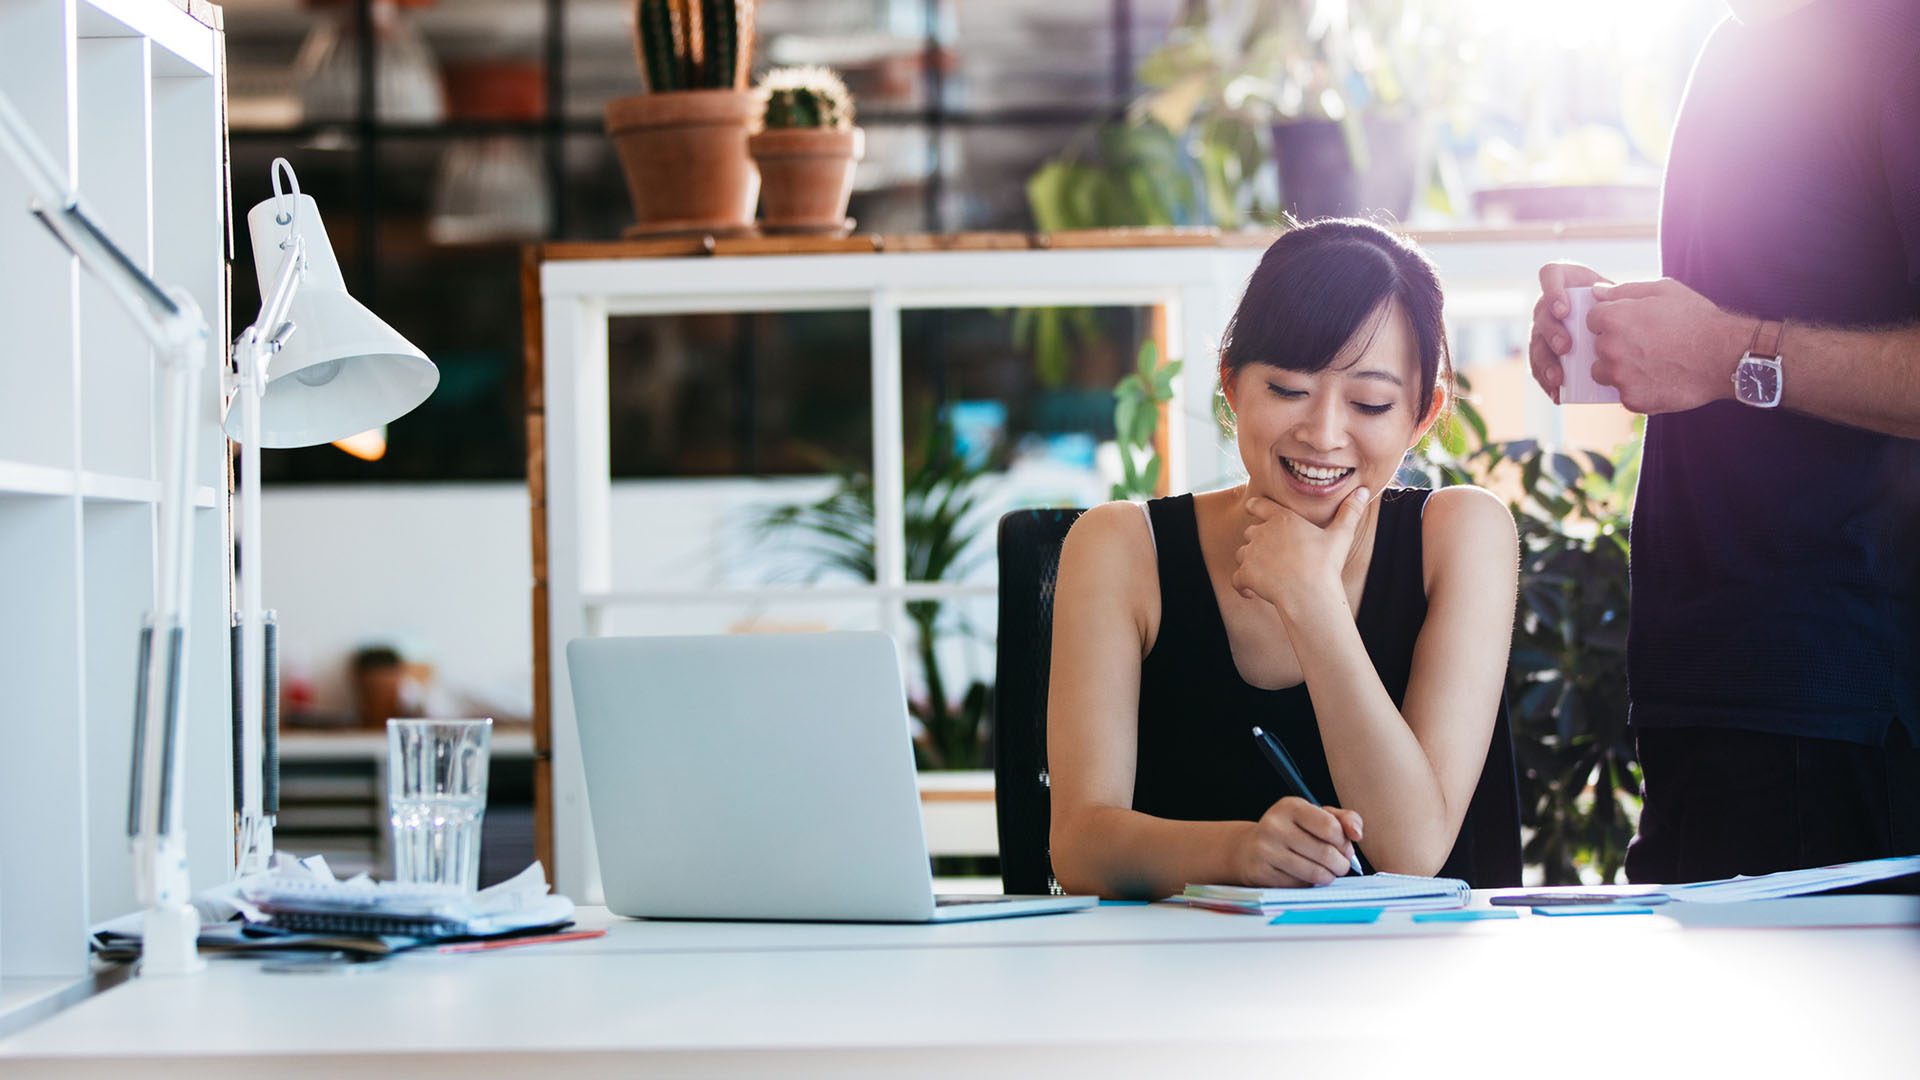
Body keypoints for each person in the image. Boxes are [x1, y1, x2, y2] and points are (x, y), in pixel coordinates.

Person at [1528, 0, 1920, 883]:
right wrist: (1608, 332)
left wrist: (1725, 351)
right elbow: (1750, 313)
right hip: (1700, 682)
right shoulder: (1734, 41)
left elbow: (1737, 344)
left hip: (1835, 705)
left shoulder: (1897, 36)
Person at [1046, 219, 1519, 899]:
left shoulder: (1462, 533)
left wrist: (1310, 596)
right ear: (1232, 387)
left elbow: (1411, 849)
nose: (1323, 434)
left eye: (1370, 402)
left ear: (1422, 414)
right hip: (1178, 986)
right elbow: (1081, 846)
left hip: (1419, 986)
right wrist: (1239, 850)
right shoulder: (1121, 548)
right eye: (1288, 390)